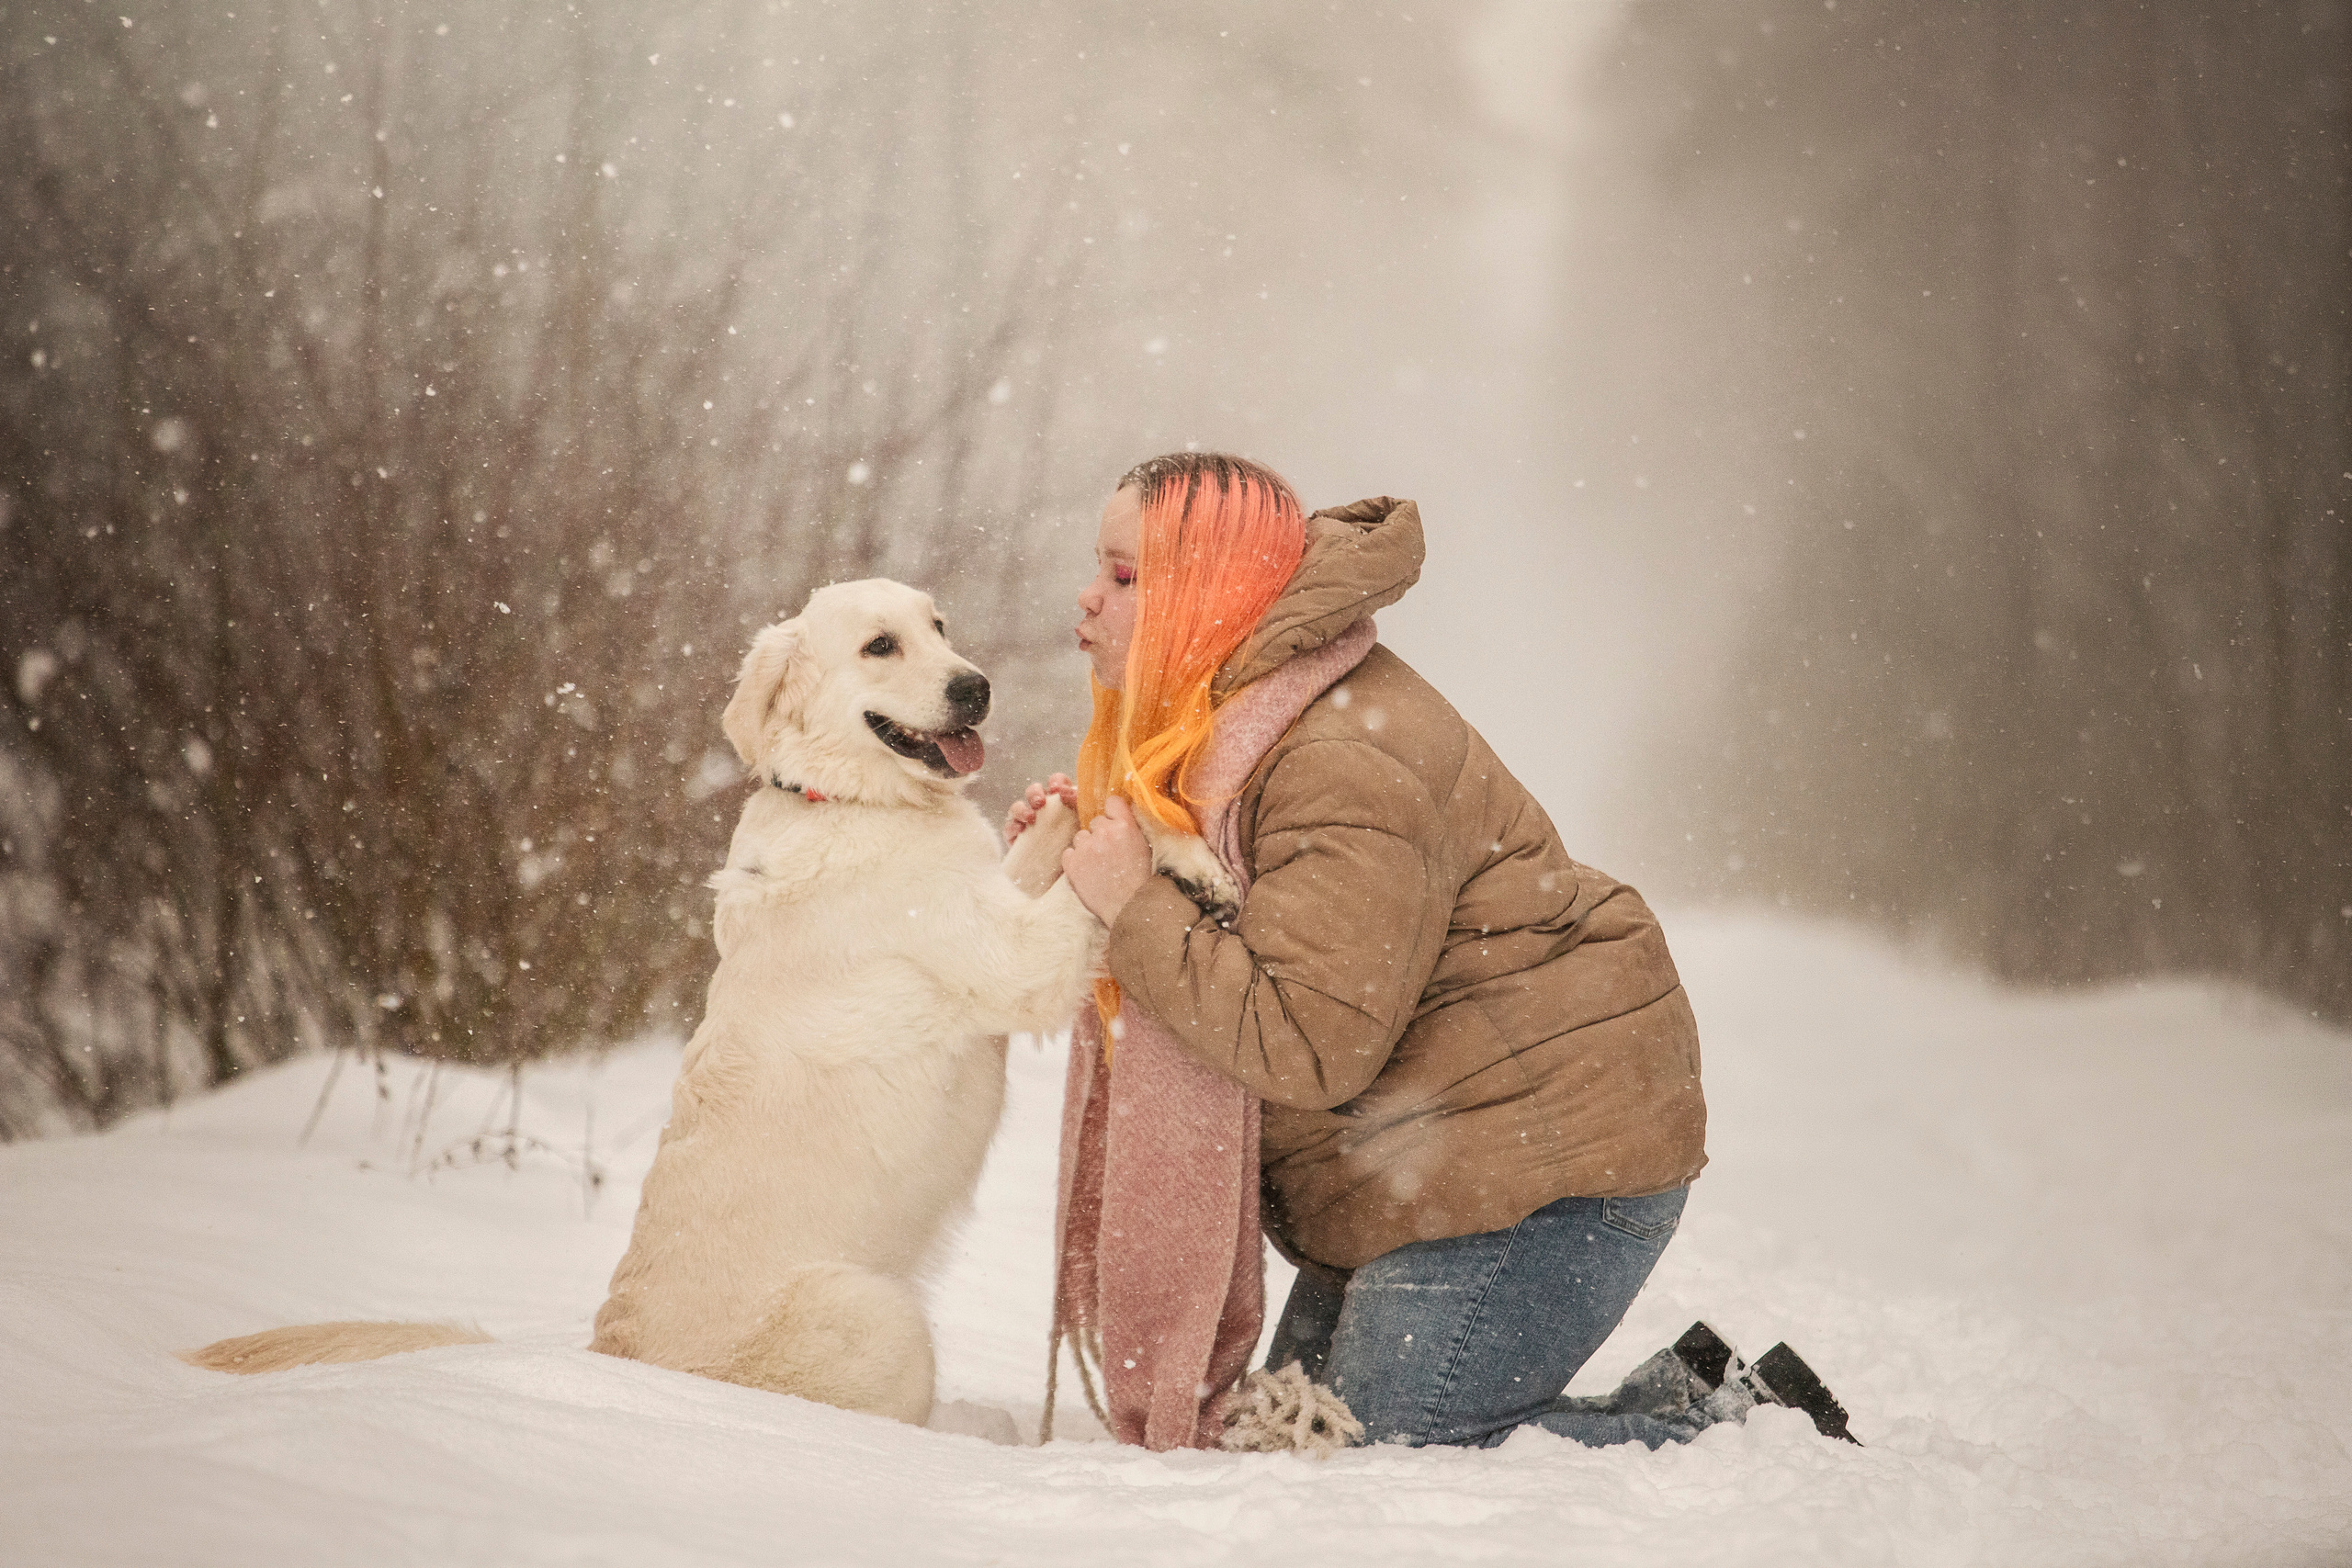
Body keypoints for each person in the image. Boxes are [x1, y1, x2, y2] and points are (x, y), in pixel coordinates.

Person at [1007, 451, 1856, 1450]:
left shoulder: (1336, 756)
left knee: (1379, 1457)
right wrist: (1085, 874)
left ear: (1205, 591)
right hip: (1424, 1162)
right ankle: (1691, 1393)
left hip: (1542, 1170)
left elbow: (1305, 1040)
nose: (1088, 598)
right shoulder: (1216, 738)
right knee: (1276, 1437)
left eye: (1123, 575)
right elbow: (1223, 938)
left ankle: (1744, 1434)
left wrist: (1137, 906)